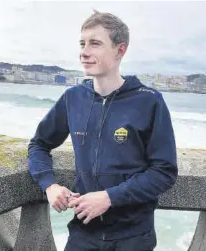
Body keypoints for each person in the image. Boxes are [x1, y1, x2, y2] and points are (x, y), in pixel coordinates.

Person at [28, 10, 178, 251]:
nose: (84, 52)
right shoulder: (73, 99)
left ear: (120, 50)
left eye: (95, 44)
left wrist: (109, 197)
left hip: (134, 236)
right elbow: (39, 145)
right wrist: (50, 185)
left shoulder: (149, 101)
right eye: (82, 43)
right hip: (83, 233)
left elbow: (164, 171)